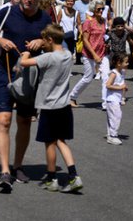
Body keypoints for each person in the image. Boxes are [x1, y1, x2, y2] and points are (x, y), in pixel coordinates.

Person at [0, 0, 52, 190]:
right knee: (3, 120)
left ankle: (17, 165)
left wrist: (42, 42)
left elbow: (56, 44)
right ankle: (4, 170)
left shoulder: (44, 18)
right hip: (5, 72)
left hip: (30, 77)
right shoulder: (8, 13)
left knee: (24, 121)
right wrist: (0, 41)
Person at [18, 25, 83, 193]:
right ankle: (74, 175)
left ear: (50, 40)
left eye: (44, 41)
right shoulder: (68, 55)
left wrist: (25, 52)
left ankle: (51, 177)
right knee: (61, 141)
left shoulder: (48, 57)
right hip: (64, 105)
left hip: (49, 106)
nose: (42, 44)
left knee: (50, 143)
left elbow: (24, 63)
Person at [69, 0, 107, 108]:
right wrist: (94, 55)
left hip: (102, 53)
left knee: (105, 77)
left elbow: (104, 36)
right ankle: (72, 97)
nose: (101, 11)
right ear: (93, 10)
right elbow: (85, 40)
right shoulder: (88, 22)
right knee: (88, 78)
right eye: (99, 9)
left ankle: (106, 102)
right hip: (89, 53)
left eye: (102, 9)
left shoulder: (103, 21)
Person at [105, 53, 129, 145]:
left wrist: (124, 88)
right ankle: (113, 136)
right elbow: (108, 85)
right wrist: (120, 87)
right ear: (119, 63)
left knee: (112, 117)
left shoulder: (121, 72)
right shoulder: (114, 73)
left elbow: (120, 84)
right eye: (126, 62)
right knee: (116, 116)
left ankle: (110, 134)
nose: (128, 63)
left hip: (116, 99)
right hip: (112, 99)